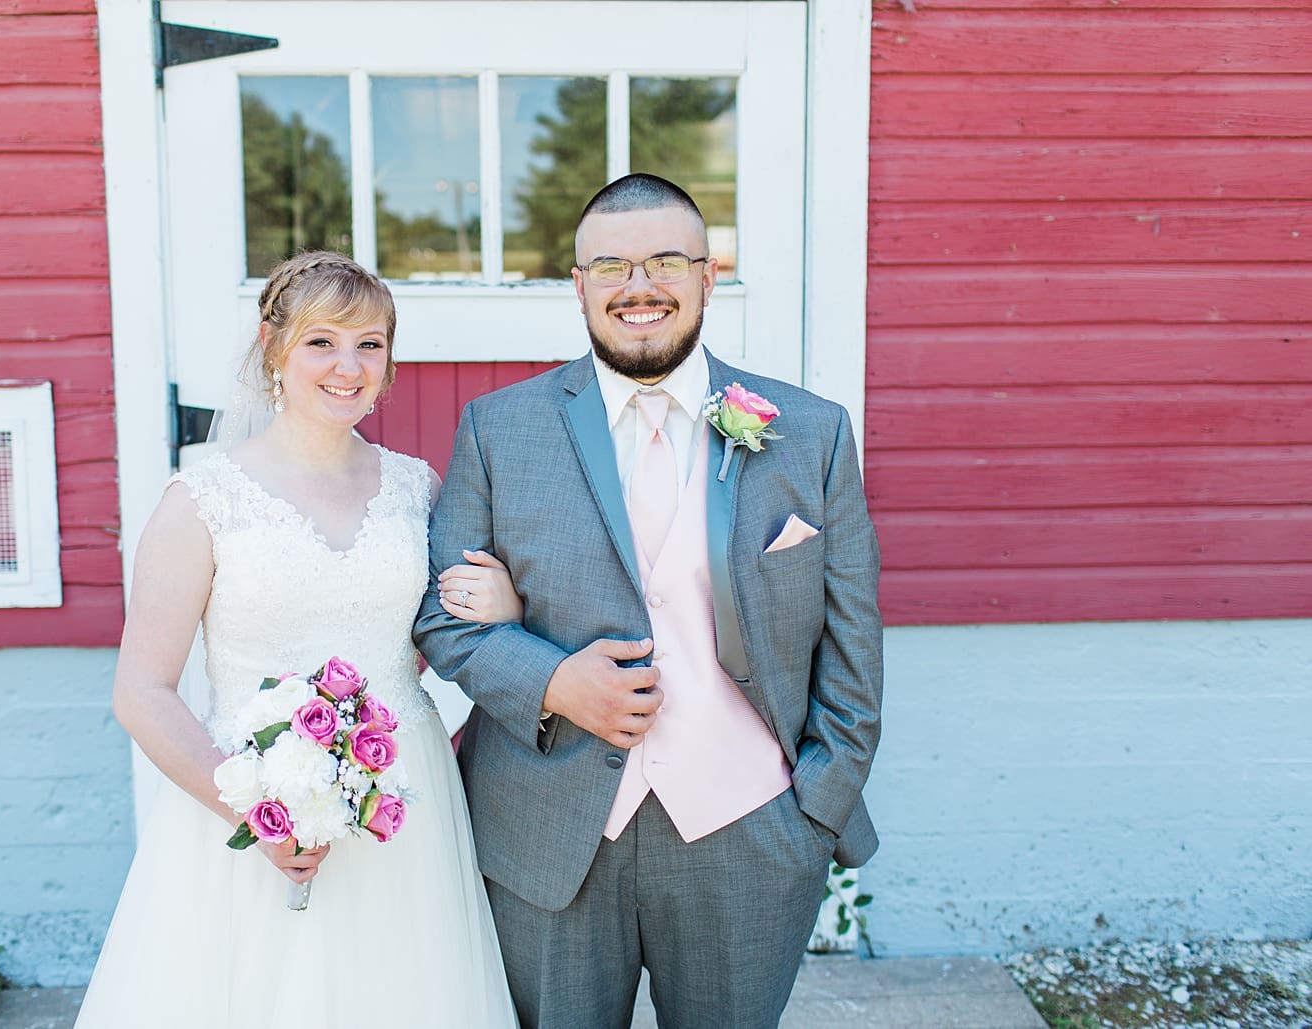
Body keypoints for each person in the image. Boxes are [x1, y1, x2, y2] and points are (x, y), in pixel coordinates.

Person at [414, 174, 884, 1029]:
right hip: (547, 829)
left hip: (750, 828)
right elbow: (443, 616)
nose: (639, 286)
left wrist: (815, 807)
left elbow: (853, 642)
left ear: (709, 276)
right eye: (612, 266)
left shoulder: (809, 431)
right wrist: (554, 682)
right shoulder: (498, 427)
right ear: (579, 285)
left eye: (667, 260)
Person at [74, 252, 520, 1028]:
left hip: (402, 797)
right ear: (273, 346)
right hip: (249, 792)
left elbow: (438, 629)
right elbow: (140, 691)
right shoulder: (202, 500)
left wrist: (504, 600)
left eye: (370, 344)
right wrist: (256, 814)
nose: (348, 367)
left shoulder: (417, 488)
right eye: (322, 341)